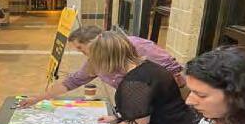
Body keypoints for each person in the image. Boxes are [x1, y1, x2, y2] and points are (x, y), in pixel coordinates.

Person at [19, 26, 185, 108]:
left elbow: (174, 72)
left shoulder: (137, 46)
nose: (81, 53)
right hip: (136, 108)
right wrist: (38, 98)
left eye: (80, 48)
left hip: (163, 105)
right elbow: (72, 81)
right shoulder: (95, 61)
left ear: (94, 42)